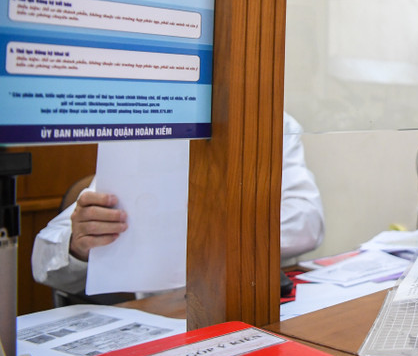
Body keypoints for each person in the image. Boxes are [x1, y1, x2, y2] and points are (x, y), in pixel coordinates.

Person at [33, 111, 324, 295]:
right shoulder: (149, 127)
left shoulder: (270, 121)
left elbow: (307, 224)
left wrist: (202, 229)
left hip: (250, 301)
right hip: (164, 315)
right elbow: (42, 262)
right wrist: (77, 246)